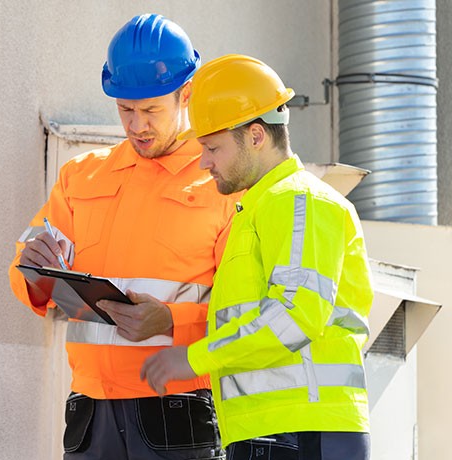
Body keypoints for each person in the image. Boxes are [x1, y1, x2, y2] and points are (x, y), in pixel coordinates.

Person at [8, 14, 240, 459]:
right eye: (125, 109)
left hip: (178, 408)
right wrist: (34, 270)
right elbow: (25, 275)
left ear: (186, 95)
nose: (137, 126)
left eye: (151, 109)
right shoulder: (80, 176)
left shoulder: (221, 182)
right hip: (90, 414)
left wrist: (171, 320)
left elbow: (244, 311)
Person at [135, 54, 374, 460]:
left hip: (301, 433)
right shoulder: (261, 210)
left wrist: (193, 359)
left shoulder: (298, 201)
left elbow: (294, 316)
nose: (204, 161)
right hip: (279, 432)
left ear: (257, 136)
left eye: (212, 147)